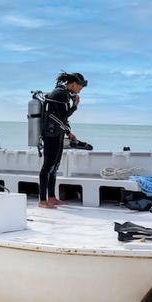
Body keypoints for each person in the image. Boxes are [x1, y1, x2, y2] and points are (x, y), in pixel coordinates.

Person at [39, 72, 87, 208]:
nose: (79, 91)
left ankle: (52, 198)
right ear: (73, 84)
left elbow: (59, 118)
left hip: (57, 133)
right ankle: (42, 200)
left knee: (54, 166)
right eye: (79, 88)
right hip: (51, 135)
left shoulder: (64, 93)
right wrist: (75, 106)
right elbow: (62, 117)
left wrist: (68, 132)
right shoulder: (60, 94)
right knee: (47, 166)